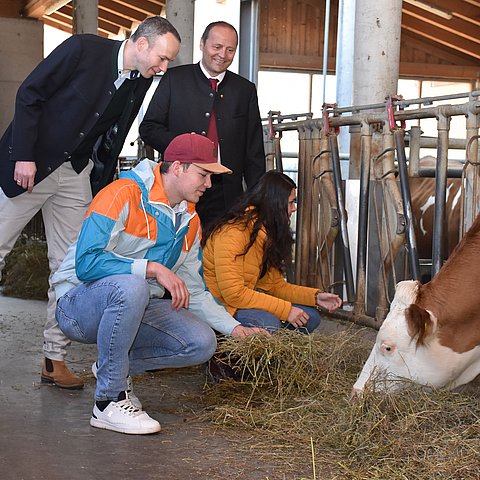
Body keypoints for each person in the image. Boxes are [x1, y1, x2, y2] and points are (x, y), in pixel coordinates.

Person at [0, 16, 181, 389]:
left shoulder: (139, 81)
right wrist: (24, 155)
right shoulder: (83, 49)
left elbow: (114, 135)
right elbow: (30, 93)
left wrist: (100, 184)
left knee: (69, 265)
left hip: (75, 172)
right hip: (32, 165)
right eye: (162, 58)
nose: (162, 68)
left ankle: (54, 358)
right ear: (142, 44)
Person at [51, 133, 265, 435]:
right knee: (133, 285)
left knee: (202, 342)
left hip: (133, 306)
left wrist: (235, 328)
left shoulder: (190, 221)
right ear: (177, 167)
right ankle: (108, 402)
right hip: (78, 306)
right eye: (203, 175)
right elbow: (86, 264)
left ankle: (113, 369)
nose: (208, 185)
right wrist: (151, 269)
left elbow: (195, 292)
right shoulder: (121, 194)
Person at [139, 20, 265, 228]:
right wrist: (184, 147)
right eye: (216, 47)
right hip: (180, 187)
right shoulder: (174, 79)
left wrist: (259, 201)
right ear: (202, 44)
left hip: (227, 192)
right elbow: (149, 128)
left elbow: (254, 151)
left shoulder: (245, 90)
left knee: (222, 254)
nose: (222, 55)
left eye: (230, 49)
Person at [202, 171, 343, 333]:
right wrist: (286, 310)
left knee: (310, 317)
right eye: (291, 203)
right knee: (269, 322)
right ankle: (232, 345)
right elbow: (234, 294)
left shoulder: (266, 232)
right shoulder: (233, 233)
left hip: (243, 299)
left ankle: (277, 345)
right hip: (223, 306)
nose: (294, 208)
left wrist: (315, 297)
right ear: (275, 203)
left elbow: (275, 286)